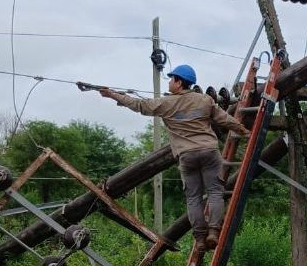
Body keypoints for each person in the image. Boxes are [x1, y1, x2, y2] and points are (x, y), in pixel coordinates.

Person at [99, 64, 250, 255]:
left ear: (179, 82)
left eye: (171, 79)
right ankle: (213, 231)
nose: (169, 82)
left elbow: (139, 105)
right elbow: (225, 120)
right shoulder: (205, 100)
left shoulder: (166, 103)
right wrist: (244, 131)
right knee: (215, 192)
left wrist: (113, 95)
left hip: (186, 156)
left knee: (193, 198)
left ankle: (200, 239)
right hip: (209, 152)